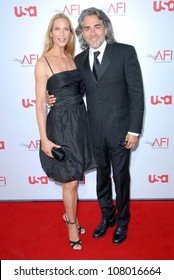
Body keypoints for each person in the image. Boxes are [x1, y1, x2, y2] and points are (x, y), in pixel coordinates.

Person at [47, 7, 144, 244]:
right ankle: (107, 217)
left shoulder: (124, 52)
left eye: (97, 26)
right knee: (101, 177)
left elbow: (136, 94)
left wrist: (134, 129)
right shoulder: (78, 60)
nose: (92, 33)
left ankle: (122, 222)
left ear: (105, 27)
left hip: (121, 131)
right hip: (93, 131)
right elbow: (75, 91)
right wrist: (53, 97)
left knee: (120, 178)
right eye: (87, 28)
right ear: (81, 32)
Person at [34, 13, 96, 251]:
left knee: (74, 179)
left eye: (66, 29)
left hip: (80, 122)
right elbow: (40, 102)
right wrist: (44, 140)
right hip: (59, 125)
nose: (62, 34)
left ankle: (72, 217)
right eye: (57, 29)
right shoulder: (43, 62)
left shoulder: (73, 59)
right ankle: (71, 223)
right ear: (51, 33)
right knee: (69, 182)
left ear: (71, 33)